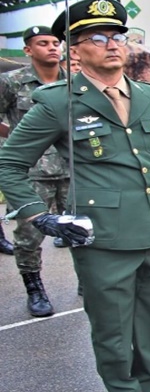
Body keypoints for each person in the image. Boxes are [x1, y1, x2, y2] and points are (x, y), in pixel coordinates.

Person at [0, 0, 150, 390]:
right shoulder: (58, 102)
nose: (112, 44)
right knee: (114, 336)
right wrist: (40, 215)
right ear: (76, 50)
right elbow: (9, 164)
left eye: (118, 36)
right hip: (104, 238)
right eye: (99, 37)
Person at [0, 25, 70, 317]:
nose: (53, 47)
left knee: (86, 229)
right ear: (28, 50)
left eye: (56, 42)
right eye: (44, 43)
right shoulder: (12, 82)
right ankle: (35, 288)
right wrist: (16, 142)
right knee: (29, 236)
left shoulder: (75, 82)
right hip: (32, 173)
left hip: (72, 170)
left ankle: (89, 282)